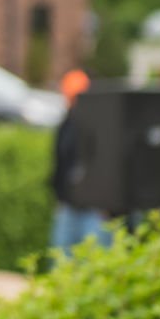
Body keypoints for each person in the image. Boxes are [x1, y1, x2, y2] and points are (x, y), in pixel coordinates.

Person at [49, 68, 114, 254]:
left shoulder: (101, 125)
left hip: (94, 208)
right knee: (62, 258)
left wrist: (108, 206)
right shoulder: (67, 124)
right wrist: (59, 197)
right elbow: (60, 162)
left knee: (94, 262)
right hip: (69, 205)